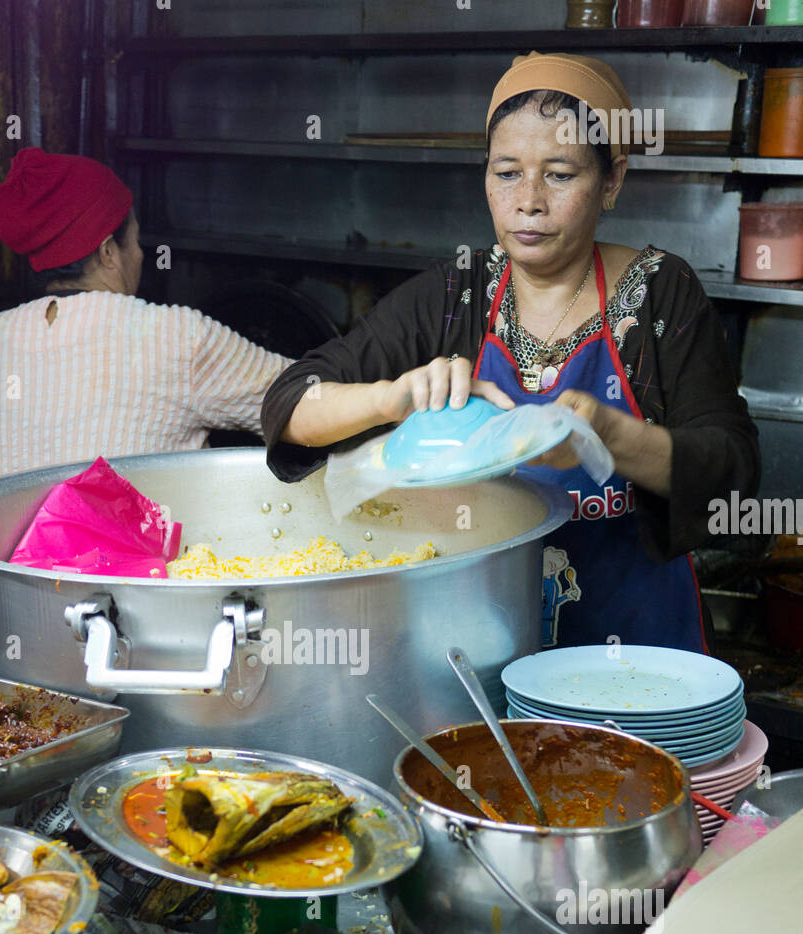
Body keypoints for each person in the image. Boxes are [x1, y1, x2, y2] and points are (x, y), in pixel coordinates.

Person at [261, 53, 760, 652]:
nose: (528, 201)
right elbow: (290, 406)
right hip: (481, 645)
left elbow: (733, 474)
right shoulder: (458, 293)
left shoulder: (660, 295)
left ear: (613, 180)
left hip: (635, 653)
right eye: (506, 173)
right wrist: (389, 398)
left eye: (559, 174)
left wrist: (606, 435)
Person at [0, 148, 290, 500]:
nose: (141, 253)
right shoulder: (176, 337)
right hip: (135, 563)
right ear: (107, 252)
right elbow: (301, 397)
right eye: (135, 239)